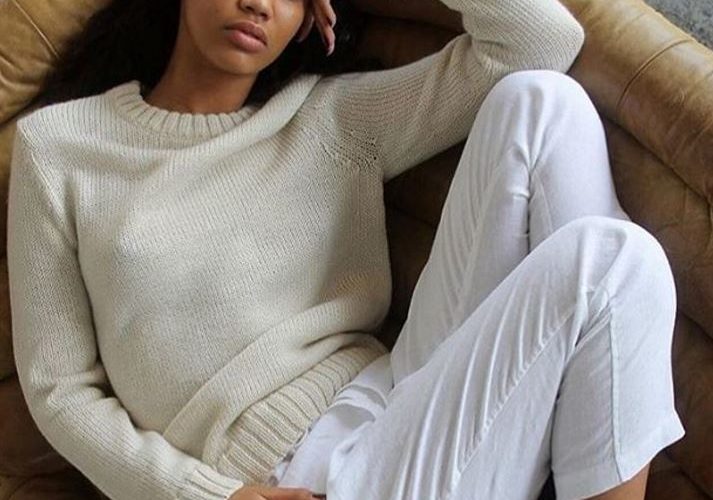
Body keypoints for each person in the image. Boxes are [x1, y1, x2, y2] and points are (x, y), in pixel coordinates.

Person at [5, 0, 684, 498]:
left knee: (541, 101)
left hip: (403, 395)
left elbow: (539, 39)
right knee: (614, 260)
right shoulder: (61, 148)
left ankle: (569, 431)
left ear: (311, 16)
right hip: (293, 480)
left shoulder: (329, 117)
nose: (258, 5)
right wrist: (207, 496)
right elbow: (59, 392)